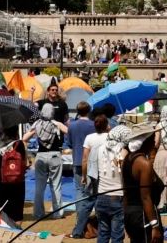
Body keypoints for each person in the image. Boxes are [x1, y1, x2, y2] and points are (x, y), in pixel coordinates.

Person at [23, 103, 69, 220]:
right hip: (55, 156)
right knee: (56, 185)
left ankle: (38, 213)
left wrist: (34, 132)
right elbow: (67, 131)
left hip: (41, 156)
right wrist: (57, 122)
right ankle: (57, 213)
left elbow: (24, 138)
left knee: (39, 186)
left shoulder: (37, 124)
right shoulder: (55, 124)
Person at [123, 123, 165, 243]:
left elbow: (125, 191)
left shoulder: (128, 159)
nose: (155, 142)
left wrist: (125, 217)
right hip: (144, 215)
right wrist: (154, 225)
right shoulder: (144, 164)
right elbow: (145, 197)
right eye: (152, 139)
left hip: (130, 214)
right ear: (146, 142)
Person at [96, 124, 132, 243]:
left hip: (101, 195)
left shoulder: (100, 149)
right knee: (117, 236)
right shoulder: (123, 152)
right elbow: (126, 176)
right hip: (118, 196)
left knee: (103, 233)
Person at [67, 102, 96, 238]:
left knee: (79, 190)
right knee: (90, 192)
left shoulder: (72, 125)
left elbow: (70, 143)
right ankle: (83, 222)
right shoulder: (93, 125)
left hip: (77, 160)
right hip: (91, 162)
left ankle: (80, 220)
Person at [80, 114, 110, 233]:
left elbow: (85, 159)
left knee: (88, 202)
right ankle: (103, 227)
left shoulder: (89, 137)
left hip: (92, 173)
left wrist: (83, 175)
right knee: (104, 200)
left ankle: (78, 230)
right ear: (106, 125)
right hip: (106, 172)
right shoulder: (109, 137)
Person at [0, 126, 28, 222]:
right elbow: (25, 163)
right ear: (16, 131)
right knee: (17, 212)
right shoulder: (20, 144)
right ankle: (15, 232)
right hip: (18, 181)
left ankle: (3, 233)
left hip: (2, 180)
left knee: (2, 210)